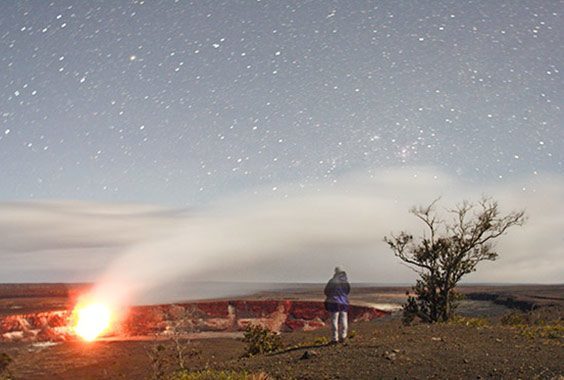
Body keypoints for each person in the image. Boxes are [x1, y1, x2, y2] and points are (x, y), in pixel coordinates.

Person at [324, 266, 350, 343]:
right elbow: (347, 291)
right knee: (344, 319)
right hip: (344, 302)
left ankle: (334, 339)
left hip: (334, 302)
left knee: (334, 320)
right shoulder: (346, 282)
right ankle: (343, 337)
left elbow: (326, 291)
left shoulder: (332, 281)